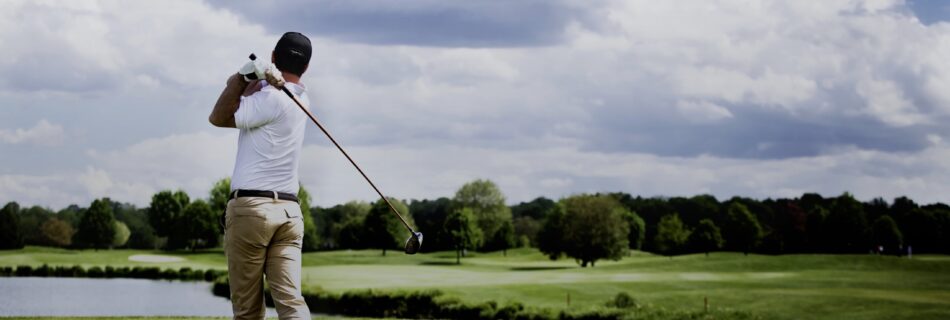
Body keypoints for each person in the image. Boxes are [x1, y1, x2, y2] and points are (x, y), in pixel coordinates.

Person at [209, 32, 313, 320]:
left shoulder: (270, 99)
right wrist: (263, 76)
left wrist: (243, 77)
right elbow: (258, 92)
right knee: (291, 302)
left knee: (247, 310)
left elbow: (218, 116)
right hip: (289, 214)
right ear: (306, 67)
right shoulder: (304, 100)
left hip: (252, 210)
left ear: (275, 55)